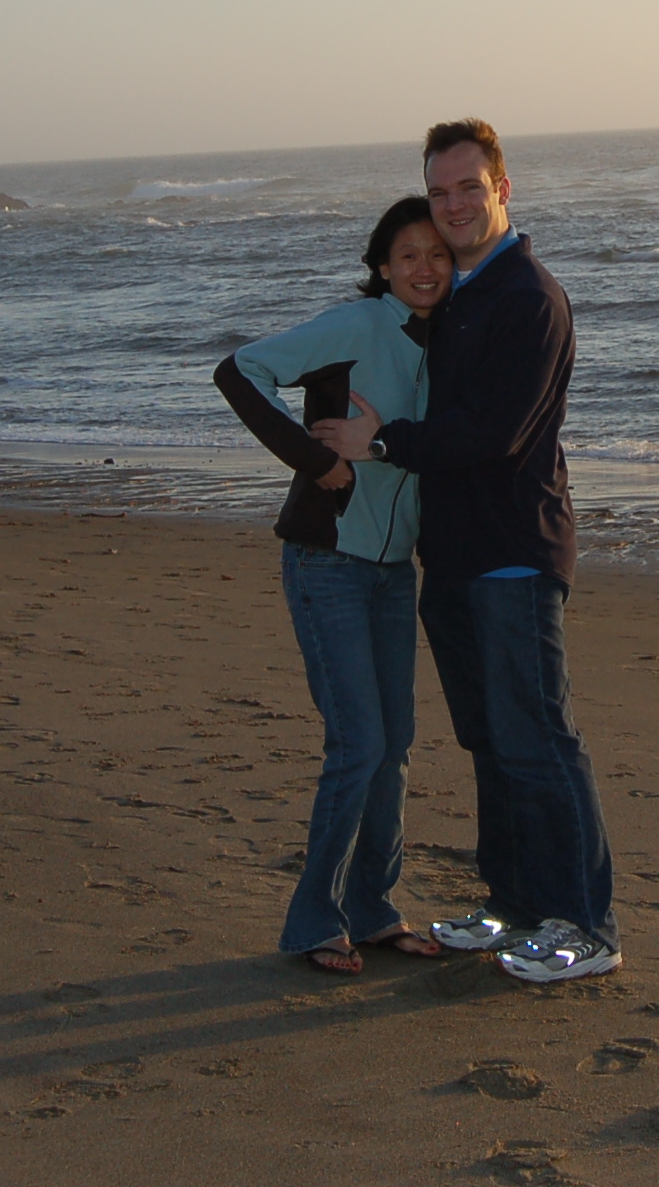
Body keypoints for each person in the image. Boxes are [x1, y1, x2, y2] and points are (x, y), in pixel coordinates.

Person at [315, 120, 619, 984]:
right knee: (490, 740)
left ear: (502, 190)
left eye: (467, 189)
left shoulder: (528, 297)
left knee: (539, 738)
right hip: (451, 555)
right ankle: (515, 907)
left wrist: (382, 443)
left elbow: (495, 430)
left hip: (514, 553)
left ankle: (586, 926)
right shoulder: (458, 294)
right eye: (438, 191)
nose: (451, 206)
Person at [212, 196, 454, 974]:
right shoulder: (355, 325)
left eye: (438, 254)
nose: (424, 268)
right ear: (383, 266)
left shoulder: (447, 341)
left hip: (393, 572)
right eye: (408, 255)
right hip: (328, 561)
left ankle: (373, 909)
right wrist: (317, 461)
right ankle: (315, 920)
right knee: (360, 744)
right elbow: (238, 370)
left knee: (395, 746)